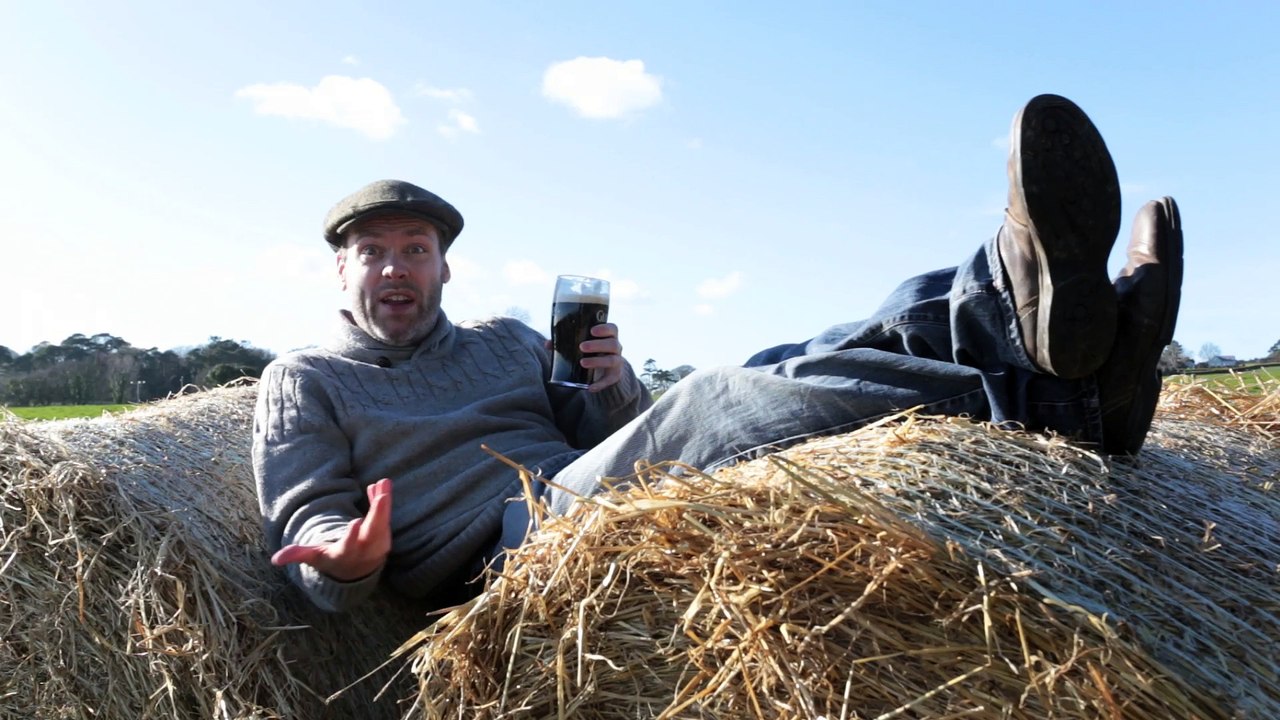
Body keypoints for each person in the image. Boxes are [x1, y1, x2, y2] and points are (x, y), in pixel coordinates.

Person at [253, 93, 1184, 613]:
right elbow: (310, 539)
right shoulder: (306, 379)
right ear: (341, 272)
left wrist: (613, 387)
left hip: (571, 491)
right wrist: (347, 557)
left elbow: (595, 430)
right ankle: (1042, 353)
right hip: (489, 563)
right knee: (714, 401)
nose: (395, 267)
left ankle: (1036, 333)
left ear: (444, 266)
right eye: (372, 252)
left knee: (791, 352)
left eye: (414, 248)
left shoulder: (504, 339)